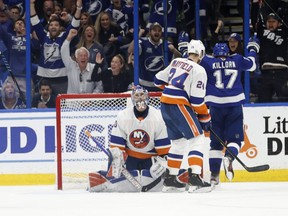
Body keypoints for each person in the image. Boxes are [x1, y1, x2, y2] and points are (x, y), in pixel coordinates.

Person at [154, 39, 211, 193]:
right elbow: (198, 101)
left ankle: (170, 178)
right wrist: (206, 118)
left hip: (165, 103)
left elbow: (157, 80)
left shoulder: (176, 61)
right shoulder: (199, 70)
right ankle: (195, 178)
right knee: (197, 139)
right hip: (178, 105)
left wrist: (172, 88)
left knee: (178, 142)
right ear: (201, 54)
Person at [89, 85, 171, 192]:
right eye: (136, 95)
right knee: (115, 172)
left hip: (151, 160)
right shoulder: (123, 116)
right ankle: (105, 180)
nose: (140, 98)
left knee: (165, 174)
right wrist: (117, 161)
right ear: (132, 99)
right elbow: (116, 147)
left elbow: (164, 151)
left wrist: (162, 164)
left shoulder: (158, 117)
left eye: (142, 95)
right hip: (130, 159)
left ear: (148, 97)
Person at [199, 41, 259, 187]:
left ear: (214, 53)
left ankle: (214, 176)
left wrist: (183, 49)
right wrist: (252, 48)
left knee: (215, 144)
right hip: (234, 106)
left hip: (215, 107)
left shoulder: (207, 61)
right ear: (227, 53)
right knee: (236, 141)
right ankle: (229, 158)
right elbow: (252, 65)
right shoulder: (237, 59)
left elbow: (193, 66)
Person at [30, 0, 82, 95]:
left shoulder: (63, 36)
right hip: (44, 78)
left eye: (56, 25)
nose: (54, 27)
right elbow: (35, 22)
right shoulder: (43, 36)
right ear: (48, 27)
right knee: (43, 105)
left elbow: (74, 25)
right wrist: (31, 4)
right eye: (51, 25)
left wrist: (79, 8)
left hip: (62, 79)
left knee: (62, 106)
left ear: (60, 27)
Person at [128, 22, 182, 91]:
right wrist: (138, 36)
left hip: (160, 85)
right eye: (154, 30)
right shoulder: (143, 42)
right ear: (150, 32)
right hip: (144, 85)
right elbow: (130, 50)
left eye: (159, 31)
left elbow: (180, 60)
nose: (157, 32)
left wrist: (174, 50)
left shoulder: (166, 45)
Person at [256, 12, 288, 102]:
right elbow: (256, 18)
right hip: (266, 73)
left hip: (282, 73)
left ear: (279, 23)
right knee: (263, 100)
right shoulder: (262, 32)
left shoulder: (284, 32)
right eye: (268, 21)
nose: (270, 24)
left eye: (273, 21)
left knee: (284, 100)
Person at [61, 28, 103, 94]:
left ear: (88, 58)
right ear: (76, 58)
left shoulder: (95, 68)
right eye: (80, 56)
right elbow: (63, 53)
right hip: (73, 102)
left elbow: (99, 86)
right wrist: (69, 38)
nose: (83, 57)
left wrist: (91, 98)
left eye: (85, 56)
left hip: (90, 102)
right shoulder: (71, 66)